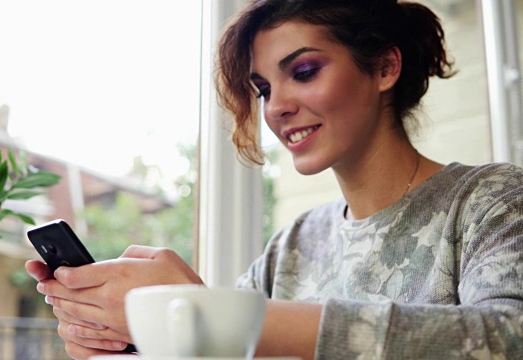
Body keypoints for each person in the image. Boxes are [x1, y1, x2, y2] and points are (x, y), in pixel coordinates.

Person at [26, 0, 523, 359]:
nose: (276, 107)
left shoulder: (491, 200)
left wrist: (202, 313)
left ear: (385, 67)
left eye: (304, 71)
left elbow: (508, 338)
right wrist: (131, 344)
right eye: (262, 88)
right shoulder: (292, 247)